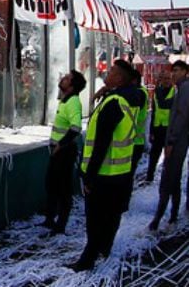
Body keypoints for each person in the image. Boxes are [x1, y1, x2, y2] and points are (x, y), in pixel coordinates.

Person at [69, 60, 135, 272]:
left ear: (119, 79)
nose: (107, 73)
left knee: (96, 218)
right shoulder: (123, 100)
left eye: (113, 72)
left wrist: (89, 176)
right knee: (111, 215)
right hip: (120, 173)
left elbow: (101, 144)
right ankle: (105, 248)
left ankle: (87, 261)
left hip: (104, 174)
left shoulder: (113, 103)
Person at [42, 70, 86, 234]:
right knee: (52, 184)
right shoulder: (65, 101)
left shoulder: (73, 102)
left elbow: (76, 127)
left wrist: (61, 144)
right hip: (58, 150)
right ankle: (49, 219)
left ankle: (61, 223)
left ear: (72, 86)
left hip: (65, 152)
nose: (63, 79)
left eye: (67, 79)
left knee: (63, 187)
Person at [148, 60, 189, 230]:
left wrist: (171, 140)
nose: (173, 74)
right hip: (165, 135)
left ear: (185, 72)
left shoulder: (184, 89)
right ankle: (171, 215)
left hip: (176, 140)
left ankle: (162, 218)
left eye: (177, 71)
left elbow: (180, 115)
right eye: (173, 71)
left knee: (169, 178)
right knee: (172, 178)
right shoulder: (179, 89)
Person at [146, 71, 175, 183]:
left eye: (168, 78)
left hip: (169, 129)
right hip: (158, 128)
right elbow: (154, 111)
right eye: (164, 78)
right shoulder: (157, 92)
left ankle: (167, 178)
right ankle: (149, 177)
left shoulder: (175, 92)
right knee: (154, 155)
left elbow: (164, 105)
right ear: (160, 79)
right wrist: (151, 130)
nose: (166, 80)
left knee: (169, 158)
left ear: (171, 79)